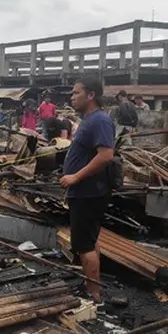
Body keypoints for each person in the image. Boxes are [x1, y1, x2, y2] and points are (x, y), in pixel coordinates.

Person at [59, 78, 115, 304]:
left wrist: (75, 176)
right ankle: (91, 285)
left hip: (88, 192)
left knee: (83, 244)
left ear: (90, 95)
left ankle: (93, 295)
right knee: (89, 241)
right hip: (86, 192)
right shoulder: (90, 120)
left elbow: (106, 155)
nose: (72, 97)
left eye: (76, 93)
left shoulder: (99, 120)